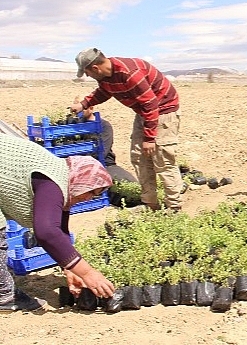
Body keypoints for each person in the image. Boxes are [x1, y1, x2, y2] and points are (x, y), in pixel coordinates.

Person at [0, 134, 115, 311]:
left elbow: (59, 230)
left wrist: (69, 268)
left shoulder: (63, 178)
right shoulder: (54, 182)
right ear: (82, 182)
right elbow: (46, 232)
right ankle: (4, 295)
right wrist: (88, 273)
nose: (88, 198)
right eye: (92, 192)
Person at [70, 48, 183, 212]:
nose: (88, 76)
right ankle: (150, 204)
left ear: (96, 68)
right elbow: (104, 92)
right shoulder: (106, 77)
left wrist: (150, 139)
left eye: (87, 73)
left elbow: (151, 105)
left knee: (162, 160)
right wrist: (83, 104)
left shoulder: (130, 73)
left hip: (163, 112)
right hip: (144, 114)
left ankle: (174, 207)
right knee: (140, 157)